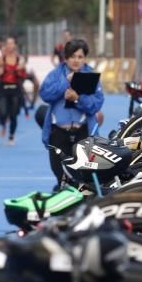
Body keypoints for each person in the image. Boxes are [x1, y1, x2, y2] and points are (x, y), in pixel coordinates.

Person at [39, 38, 104, 187]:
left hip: (82, 132)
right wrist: (65, 83)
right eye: (72, 57)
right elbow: (45, 94)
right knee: (60, 175)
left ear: (85, 58)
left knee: (83, 179)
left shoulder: (91, 76)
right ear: (66, 58)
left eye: (80, 57)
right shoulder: (56, 74)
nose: (76, 61)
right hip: (58, 132)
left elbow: (96, 104)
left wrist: (77, 99)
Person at [0, 35, 27, 145]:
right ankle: (3, 124)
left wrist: (20, 70)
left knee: (14, 114)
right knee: (2, 111)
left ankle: (11, 136)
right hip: (3, 87)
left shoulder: (20, 59)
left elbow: (24, 75)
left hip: (15, 88)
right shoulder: (0, 59)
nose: (10, 46)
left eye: (12, 43)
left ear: (15, 46)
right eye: (8, 44)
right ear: (5, 46)